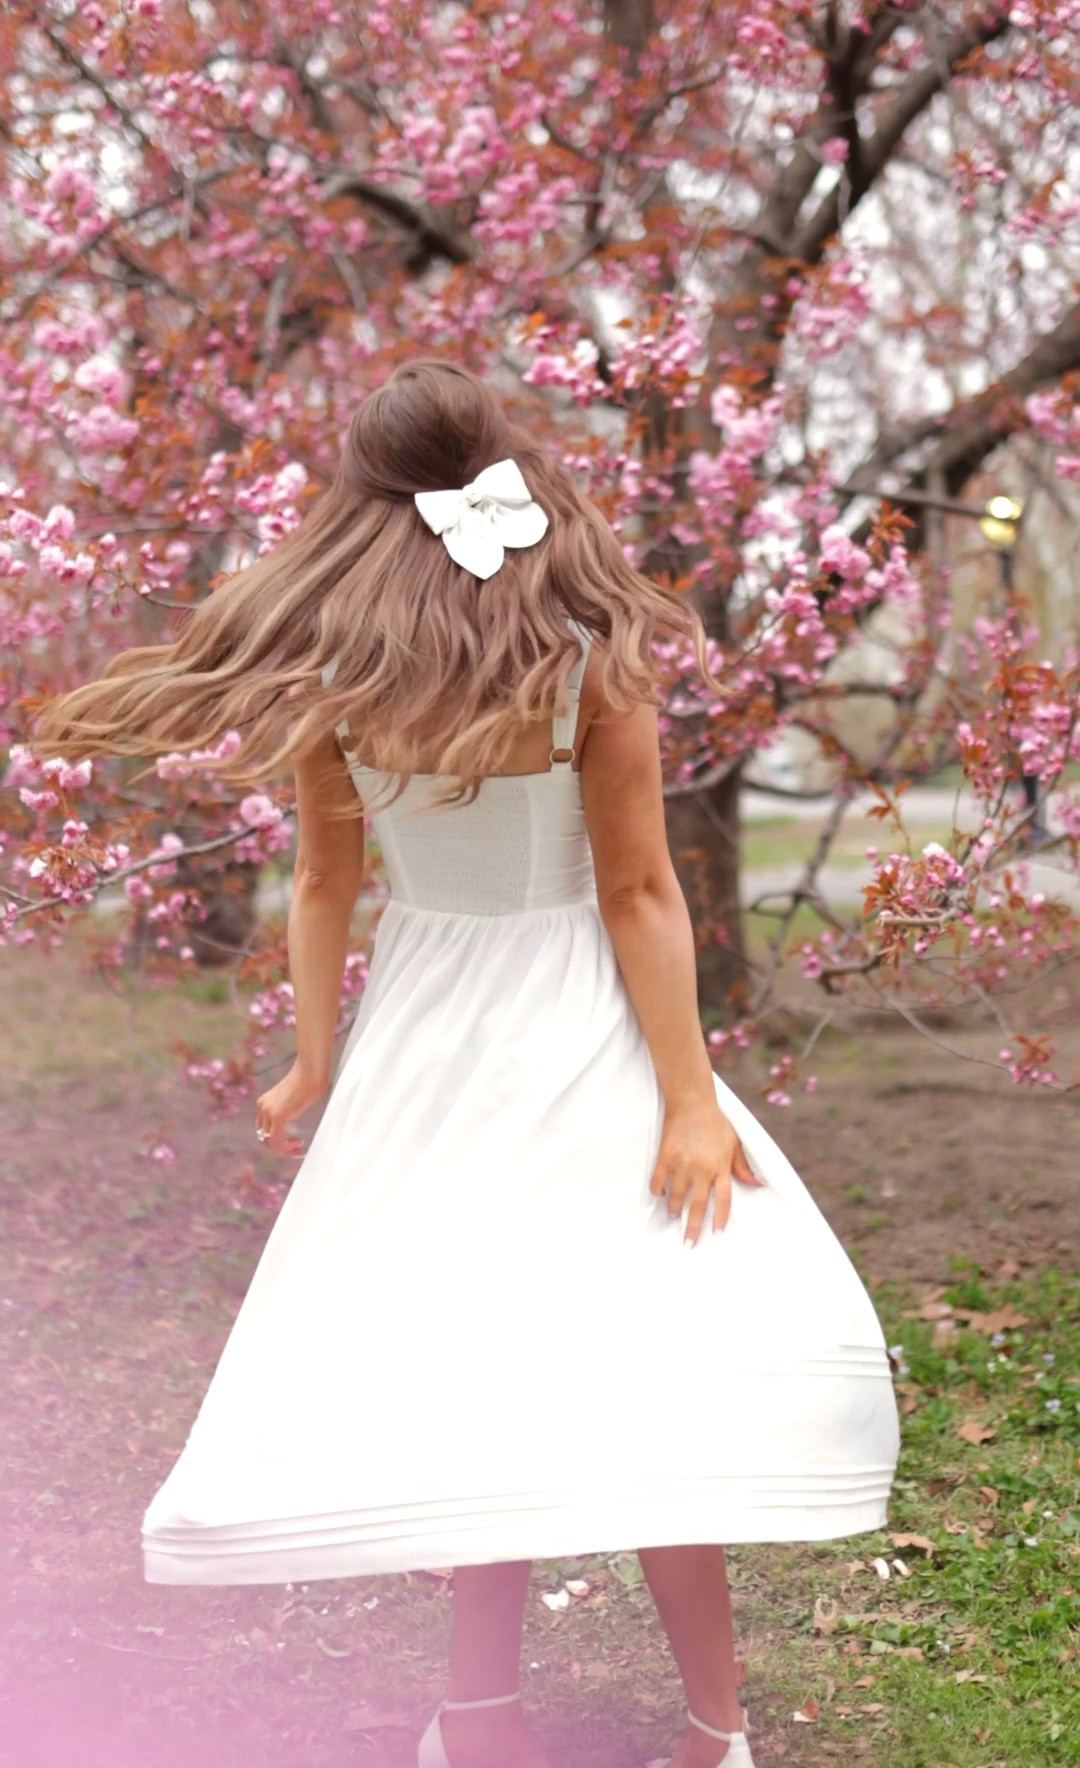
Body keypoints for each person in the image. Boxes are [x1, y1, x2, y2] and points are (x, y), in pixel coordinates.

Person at [38, 359, 900, 1768]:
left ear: (363, 503)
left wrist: (321, 1057)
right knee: (650, 1364)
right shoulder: (586, 651)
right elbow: (636, 893)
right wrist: (686, 1094)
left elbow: (324, 880)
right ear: (500, 466)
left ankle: (484, 1720)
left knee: (476, 1372)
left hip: (430, 1033)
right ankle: (714, 1732)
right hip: (583, 1018)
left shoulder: (342, 670)